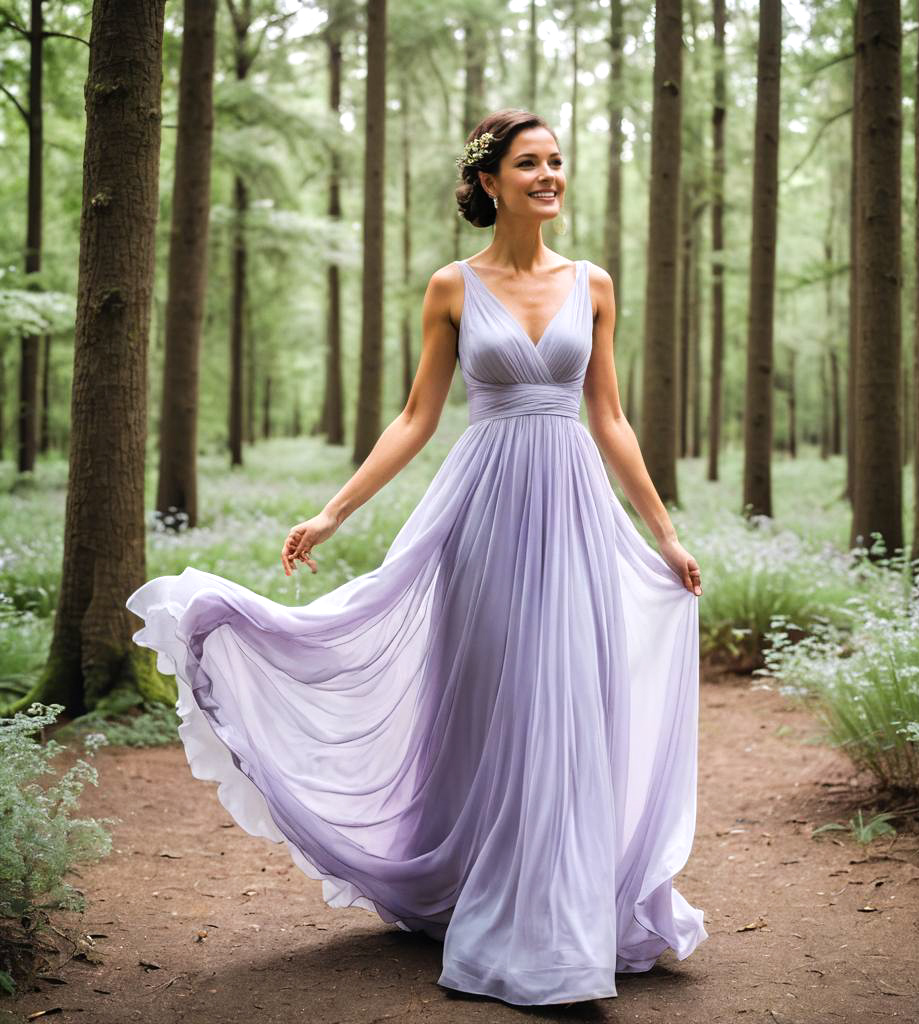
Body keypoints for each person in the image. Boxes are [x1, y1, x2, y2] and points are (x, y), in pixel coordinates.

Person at [127, 107, 708, 1008]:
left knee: (566, 698)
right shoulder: (451, 287)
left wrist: (663, 533)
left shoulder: (592, 284)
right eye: (530, 163)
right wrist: (331, 512)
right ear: (488, 181)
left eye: (557, 162)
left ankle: (562, 919)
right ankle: (488, 890)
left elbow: (611, 419)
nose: (550, 176)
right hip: (481, 517)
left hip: (575, 517)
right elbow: (414, 420)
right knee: (492, 703)